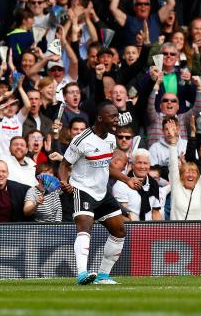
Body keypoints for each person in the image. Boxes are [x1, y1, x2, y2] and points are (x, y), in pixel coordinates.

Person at [58, 101, 126, 285]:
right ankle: (82, 274)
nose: (116, 119)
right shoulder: (81, 140)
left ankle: (103, 276)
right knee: (85, 227)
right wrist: (64, 182)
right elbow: (64, 165)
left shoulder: (111, 139)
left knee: (119, 230)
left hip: (102, 192)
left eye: (117, 115)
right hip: (83, 189)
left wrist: (127, 179)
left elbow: (106, 166)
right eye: (112, 116)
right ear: (100, 118)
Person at [167, 119, 201, 220]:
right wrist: (172, 142)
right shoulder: (176, 186)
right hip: (176, 234)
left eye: (193, 172)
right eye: (187, 172)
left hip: (196, 235)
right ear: (181, 176)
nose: (190, 175)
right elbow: (172, 166)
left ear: (198, 177)